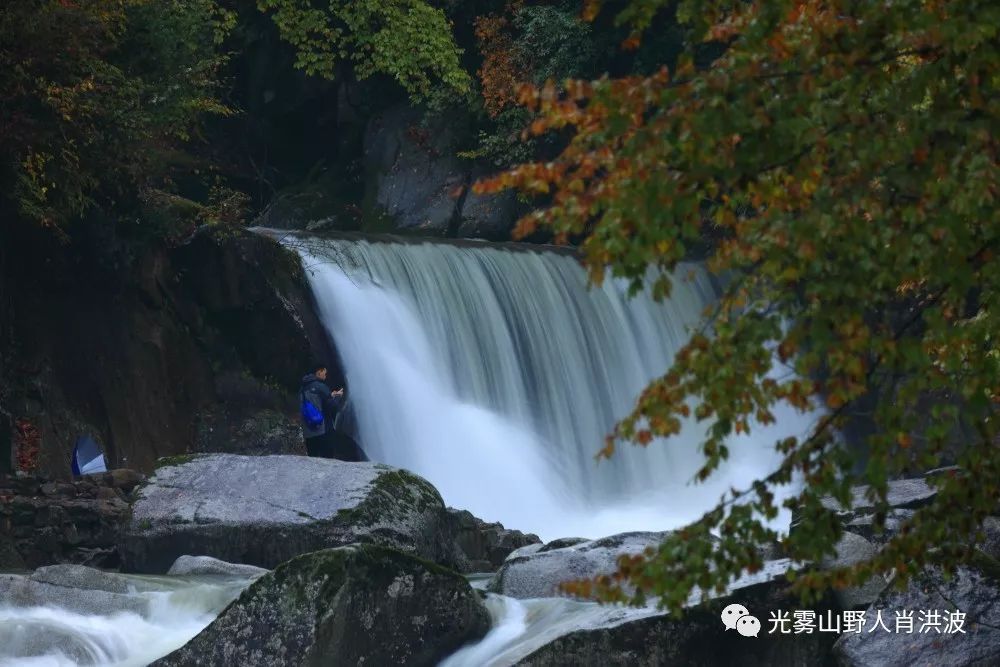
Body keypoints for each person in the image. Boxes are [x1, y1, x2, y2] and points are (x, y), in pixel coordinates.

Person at [300, 364, 345, 459]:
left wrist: (330, 396)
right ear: (319, 372)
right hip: (324, 430)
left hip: (309, 431)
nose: (326, 375)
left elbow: (316, 403)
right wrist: (337, 397)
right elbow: (332, 407)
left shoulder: (303, 388)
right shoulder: (321, 387)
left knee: (312, 460)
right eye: (325, 372)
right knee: (327, 461)